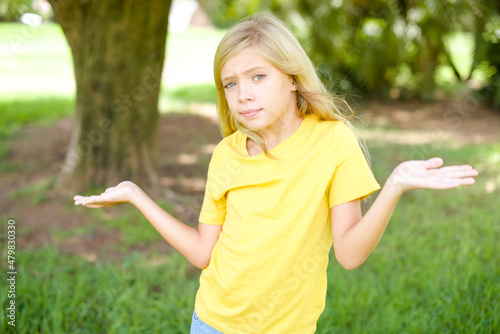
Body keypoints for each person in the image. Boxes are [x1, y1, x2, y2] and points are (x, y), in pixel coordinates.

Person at [73, 13, 478, 334]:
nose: (242, 93)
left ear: (293, 81)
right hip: (213, 322)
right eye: (230, 84)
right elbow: (202, 252)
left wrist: (394, 186)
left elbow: (350, 254)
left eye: (258, 77)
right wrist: (135, 194)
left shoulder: (333, 142)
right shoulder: (226, 155)